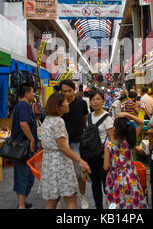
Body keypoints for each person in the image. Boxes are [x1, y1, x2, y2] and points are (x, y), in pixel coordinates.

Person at [40, 92, 92, 209]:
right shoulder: (58, 121)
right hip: (60, 163)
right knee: (71, 198)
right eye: (65, 102)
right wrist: (79, 160)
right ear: (58, 106)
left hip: (49, 162)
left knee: (53, 199)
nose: (68, 104)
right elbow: (62, 146)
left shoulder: (47, 120)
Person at [103, 112, 148, 209]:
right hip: (130, 177)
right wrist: (127, 114)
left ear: (115, 129)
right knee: (132, 202)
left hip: (115, 180)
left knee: (117, 204)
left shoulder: (108, 145)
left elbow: (105, 166)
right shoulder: (129, 141)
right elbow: (141, 123)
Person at [60, 80, 90, 209]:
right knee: (63, 173)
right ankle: (65, 199)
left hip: (77, 141)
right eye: (64, 91)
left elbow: (85, 120)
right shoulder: (59, 104)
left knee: (80, 172)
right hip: (62, 144)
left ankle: (83, 197)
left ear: (74, 90)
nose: (67, 94)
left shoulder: (81, 103)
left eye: (69, 91)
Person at [11, 83, 38, 209]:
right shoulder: (23, 106)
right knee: (24, 175)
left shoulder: (21, 106)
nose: (34, 94)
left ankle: (22, 202)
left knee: (25, 175)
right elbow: (23, 123)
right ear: (26, 93)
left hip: (22, 147)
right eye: (32, 92)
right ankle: (21, 205)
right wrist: (32, 139)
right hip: (24, 148)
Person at [87, 90, 114, 209]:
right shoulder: (88, 117)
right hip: (91, 156)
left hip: (104, 157)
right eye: (93, 100)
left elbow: (112, 139)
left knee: (107, 185)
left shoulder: (107, 118)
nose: (95, 102)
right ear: (90, 102)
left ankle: (111, 207)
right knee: (95, 185)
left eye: (98, 99)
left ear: (103, 100)